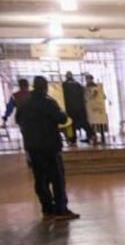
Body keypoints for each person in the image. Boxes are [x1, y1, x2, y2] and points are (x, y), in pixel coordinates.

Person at [17, 76, 79, 221]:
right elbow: (62, 119)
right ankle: (61, 210)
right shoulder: (48, 102)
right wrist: (61, 113)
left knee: (40, 179)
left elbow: (18, 120)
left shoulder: (24, 103)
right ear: (45, 87)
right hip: (50, 146)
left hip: (33, 147)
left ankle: (47, 209)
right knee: (57, 178)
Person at [62, 71, 91, 144]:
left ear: (66, 77)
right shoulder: (78, 85)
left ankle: (72, 139)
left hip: (69, 108)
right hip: (80, 108)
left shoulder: (64, 85)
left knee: (70, 124)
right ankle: (91, 135)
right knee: (84, 123)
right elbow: (83, 94)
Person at [84, 74, 109, 144]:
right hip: (95, 108)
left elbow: (103, 96)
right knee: (94, 124)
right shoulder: (95, 87)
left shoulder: (90, 88)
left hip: (95, 108)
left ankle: (97, 137)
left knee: (97, 123)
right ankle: (93, 137)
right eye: (87, 79)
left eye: (88, 79)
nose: (88, 81)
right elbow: (104, 96)